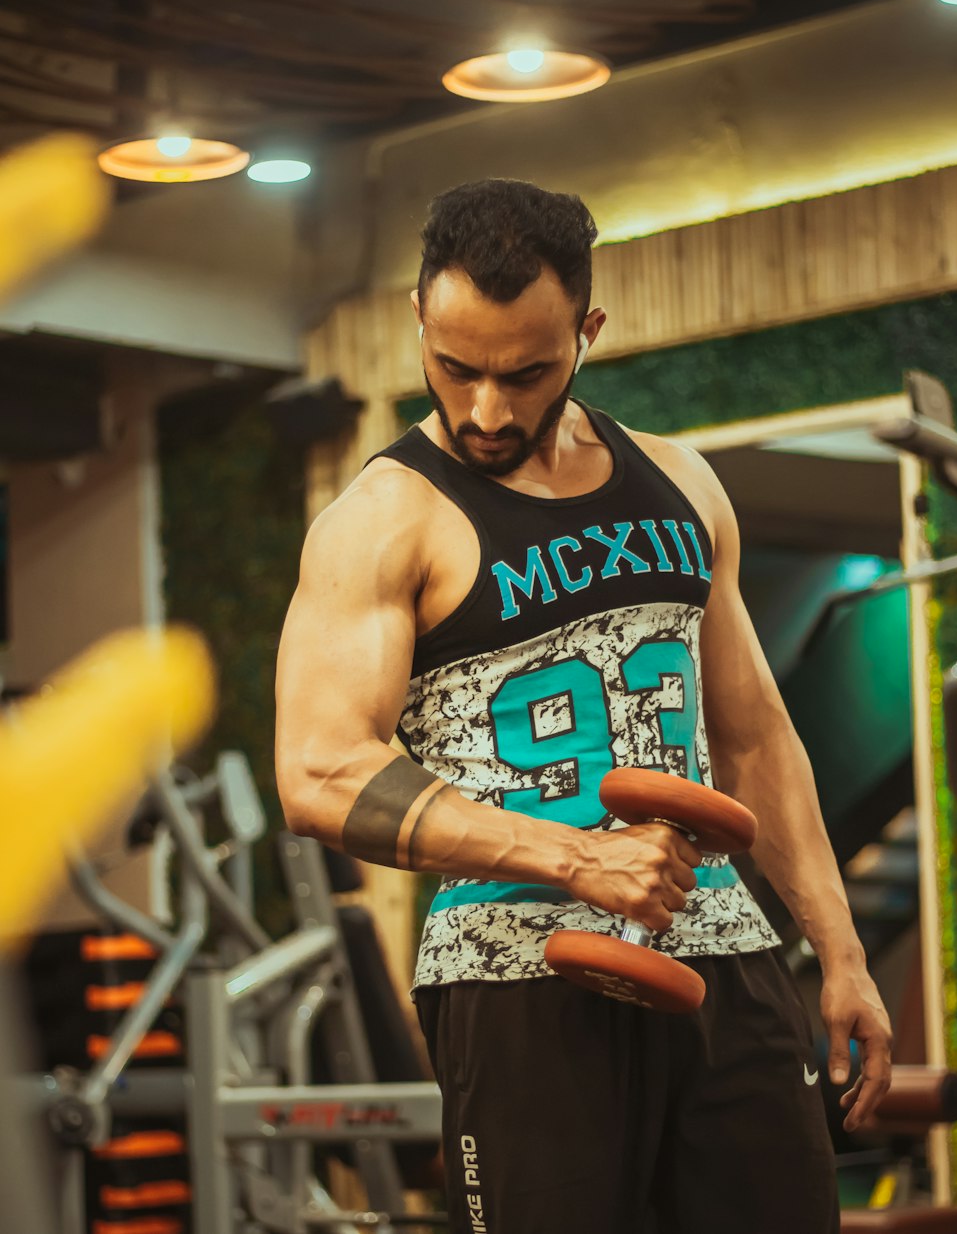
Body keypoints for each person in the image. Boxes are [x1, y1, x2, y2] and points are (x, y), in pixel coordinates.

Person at [275, 178, 892, 1233]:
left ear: (587, 331)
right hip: (517, 977)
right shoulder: (381, 519)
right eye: (455, 366)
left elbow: (750, 735)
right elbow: (319, 770)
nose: (485, 408)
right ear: (417, 319)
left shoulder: (680, 481)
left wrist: (839, 948)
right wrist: (575, 860)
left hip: (726, 958)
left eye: (527, 372)